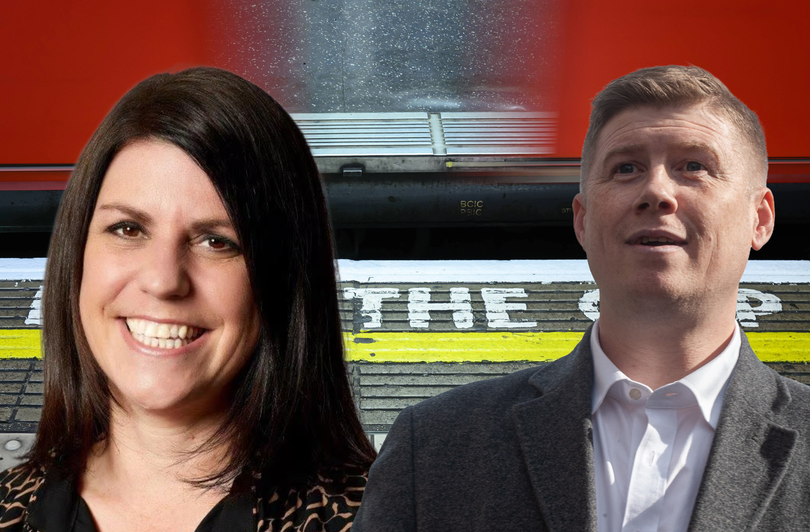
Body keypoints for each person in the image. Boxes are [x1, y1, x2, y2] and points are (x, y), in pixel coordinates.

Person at [354, 65, 810, 531]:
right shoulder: (433, 447)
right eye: (625, 168)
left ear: (761, 219)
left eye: (694, 166)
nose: (656, 191)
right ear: (582, 221)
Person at [0, 67, 376, 531]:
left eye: (217, 241)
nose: (163, 281)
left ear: (284, 279)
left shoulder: (378, 518)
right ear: (77, 255)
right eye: (128, 229)